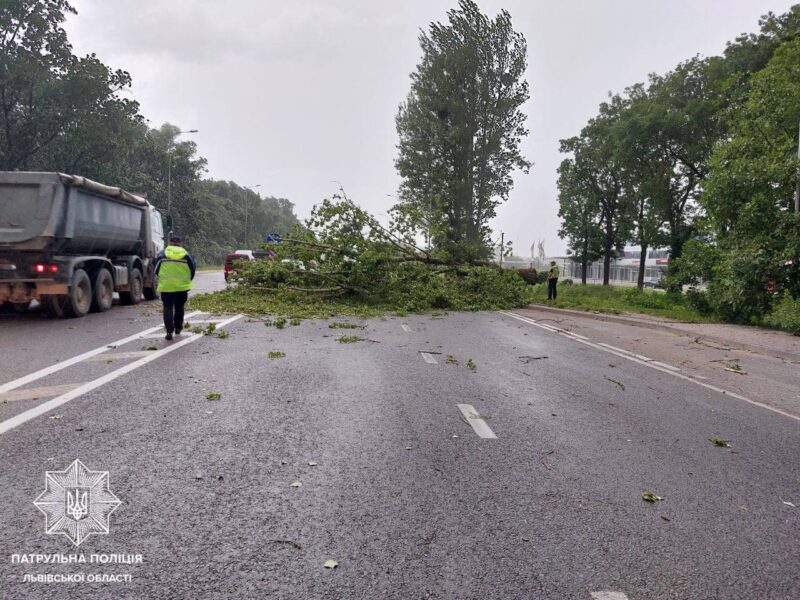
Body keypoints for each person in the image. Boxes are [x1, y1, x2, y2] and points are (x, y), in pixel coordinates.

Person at [154, 235, 196, 340]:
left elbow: (156, 269)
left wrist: (162, 279)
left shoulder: (162, 254)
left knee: (167, 307)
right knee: (179, 306)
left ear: (169, 242)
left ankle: (169, 331)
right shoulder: (186, 255)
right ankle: (178, 328)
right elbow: (193, 269)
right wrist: (187, 280)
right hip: (182, 286)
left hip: (166, 286)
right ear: (180, 243)